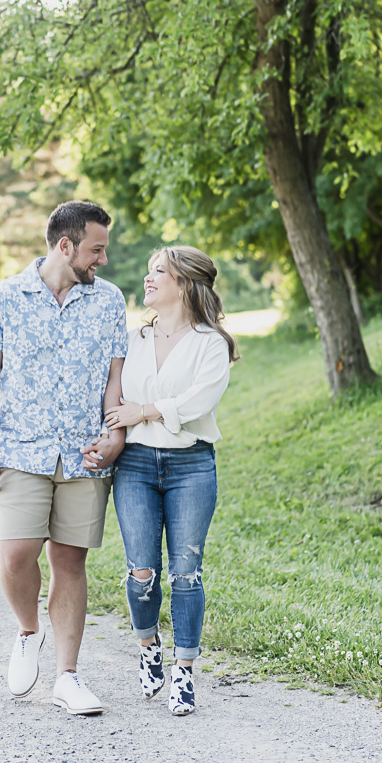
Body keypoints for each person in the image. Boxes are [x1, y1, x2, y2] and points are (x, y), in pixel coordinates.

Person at [0, 200, 129, 715]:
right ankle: (27, 631)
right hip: (20, 449)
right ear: (66, 246)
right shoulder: (2, 300)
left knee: (69, 560)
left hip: (84, 455)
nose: (102, 259)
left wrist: (114, 434)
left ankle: (68, 676)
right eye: (96, 249)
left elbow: (113, 381)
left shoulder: (109, 303)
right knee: (17, 555)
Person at [104, 245, 236, 716]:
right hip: (136, 465)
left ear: (182, 283)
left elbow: (200, 400)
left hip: (191, 467)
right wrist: (116, 428)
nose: (148, 279)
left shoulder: (210, 342)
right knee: (142, 571)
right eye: (148, 271)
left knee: (186, 573)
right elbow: (112, 394)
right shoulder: (133, 338)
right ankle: (147, 649)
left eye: (158, 271)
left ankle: (184, 674)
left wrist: (145, 411)